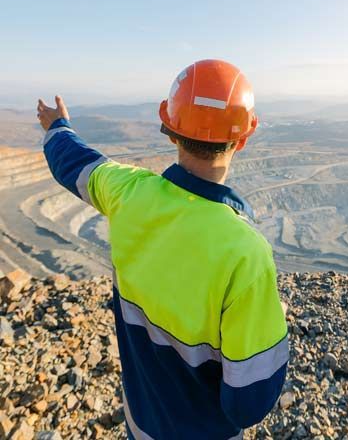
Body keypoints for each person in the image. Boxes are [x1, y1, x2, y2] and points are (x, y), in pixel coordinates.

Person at [38, 59, 288, 440]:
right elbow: (248, 403)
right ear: (243, 138)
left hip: (141, 422)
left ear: (170, 130)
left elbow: (73, 162)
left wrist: (58, 126)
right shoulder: (246, 254)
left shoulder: (127, 192)